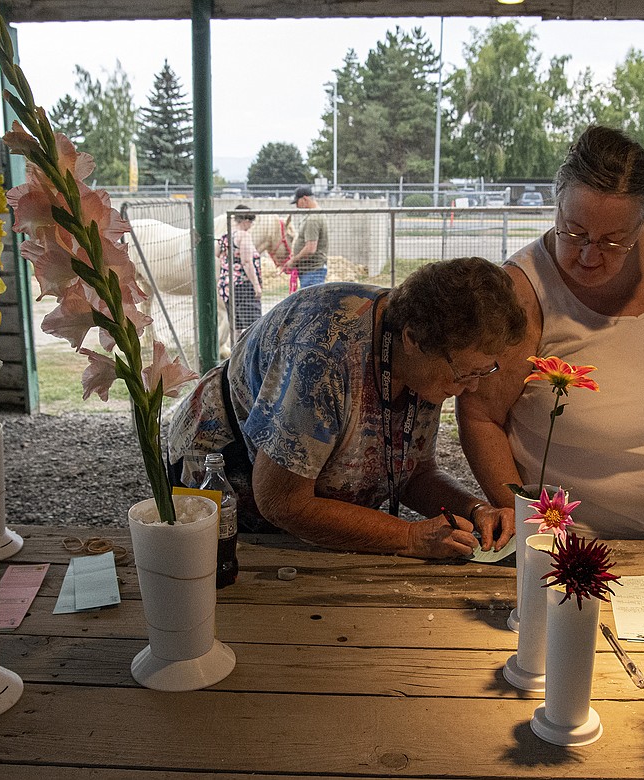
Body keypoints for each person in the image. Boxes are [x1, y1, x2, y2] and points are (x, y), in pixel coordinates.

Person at [457, 125, 644, 543]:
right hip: (574, 545)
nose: (589, 255)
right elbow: (480, 416)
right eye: (573, 232)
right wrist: (529, 525)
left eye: (614, 241)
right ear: (557, 204)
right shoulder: (523, 291)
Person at [167, 256, 526, 559]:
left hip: (297, 500)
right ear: (413, 339)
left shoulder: (423, 363)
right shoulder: (324, 354)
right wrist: (408, 537)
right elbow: (282, 502)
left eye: (485, 371)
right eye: (466, 373)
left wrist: (475, 510)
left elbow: (411, 474)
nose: (473, 387)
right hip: (223, 478)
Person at [217, 204, 263, 336]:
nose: (251, 225)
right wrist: (256, 286)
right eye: (251, 222)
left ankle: (236, 352)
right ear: (246, 221)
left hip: (226, 286)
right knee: (253, 324)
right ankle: (251, 353)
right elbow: (247, 262)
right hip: (243, 285)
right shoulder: (244, 236)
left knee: (236, 325)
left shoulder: (226, 236)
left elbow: (216, 252)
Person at [286, 185, 328, 288]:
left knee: (311, 302)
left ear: (304, 199)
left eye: (297, 202)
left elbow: (310, 248)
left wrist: (293, 261)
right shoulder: (313, 215)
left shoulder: (312, 219)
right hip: (310, 271)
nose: (297, 206)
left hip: (312, 271)